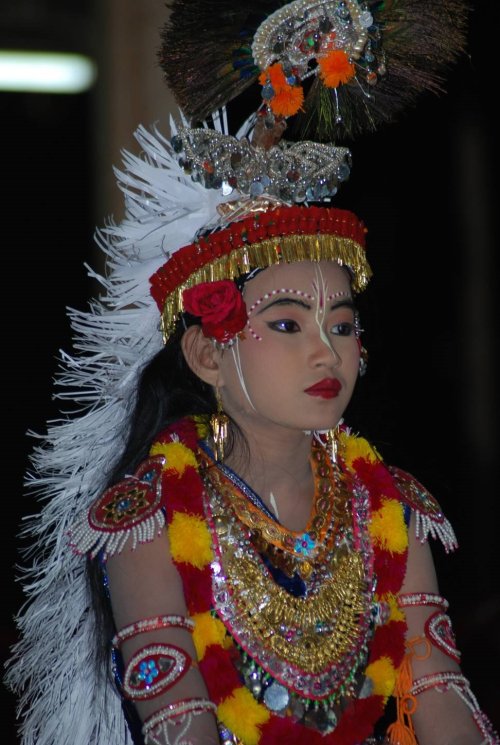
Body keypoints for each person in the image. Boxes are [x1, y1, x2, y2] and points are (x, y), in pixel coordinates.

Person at [4, 1, 499, 744]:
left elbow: (437, 688)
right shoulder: (149, 518)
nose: (326, 351)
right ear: (208, 353)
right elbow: (180, 718)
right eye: (287, 324)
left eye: (341, 323)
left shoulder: (391, 504)